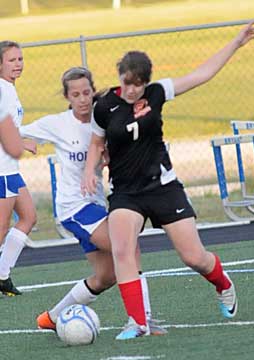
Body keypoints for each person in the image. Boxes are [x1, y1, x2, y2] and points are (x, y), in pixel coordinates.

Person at [81, 22, 254, 340]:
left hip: (163, 187)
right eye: (127, 83)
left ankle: (223, 283)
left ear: (146, 82)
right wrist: (88, 172)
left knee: (194, 257)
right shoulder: (104, 106)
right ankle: (137, 322)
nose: (133, 89)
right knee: (122, 250)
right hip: (125, 192)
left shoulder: (158, 92)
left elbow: (202, 74)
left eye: (138, 84)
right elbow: (96, 144)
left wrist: (236, 43)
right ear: (120, 77)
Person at [19, 66, 166, 335]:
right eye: (75, 94)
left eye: (87, 92)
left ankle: (51, 318)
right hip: (74, 208)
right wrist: (22, 141)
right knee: (127, 246)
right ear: (67, 97)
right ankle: (142, 320)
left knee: (106, 276)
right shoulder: (58, 124)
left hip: (98, 205)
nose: (83, 99)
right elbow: (11, 130)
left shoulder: (106, 117)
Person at [0, 41, 37, 296]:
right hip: (1, 171)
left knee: (28, 217)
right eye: (12, 60)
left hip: (9, 169)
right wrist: (21, 142)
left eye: (20, 59)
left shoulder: (10, 89)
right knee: (1, 229)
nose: (18, 64)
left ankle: (2, 275)